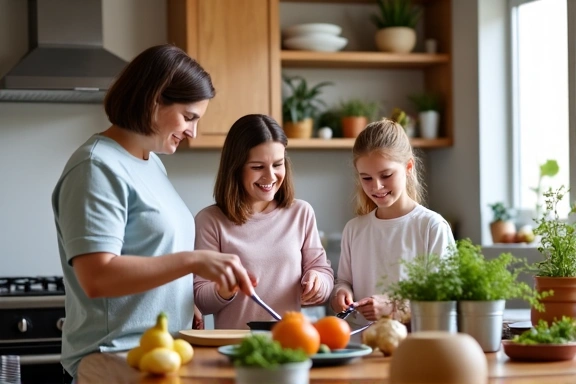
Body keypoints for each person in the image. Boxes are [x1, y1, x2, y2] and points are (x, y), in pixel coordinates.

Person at [51, 44, 253, 378]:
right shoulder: (96, 166)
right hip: (116, 358)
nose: (192, 132)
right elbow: (97, 277)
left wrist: (181, 302)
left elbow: (153, 252)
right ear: (153, 100)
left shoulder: (151, 164)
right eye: (188, 117)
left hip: (164, 353)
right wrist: (194, 262)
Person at [193, 114, 334, 329]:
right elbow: (200, 298)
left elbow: (322, 272)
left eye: (278, 165)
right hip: (234, 348)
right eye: (258, 167)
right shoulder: (210, 221)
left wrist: (317, 282)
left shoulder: (301, 213)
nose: (270, 177)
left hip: (290, 343)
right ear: (236, 168)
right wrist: (224, 289)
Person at [330, 118, 455, 328]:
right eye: (366, 178)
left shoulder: (431, 227)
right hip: (364, 349)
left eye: (386, 175)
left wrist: (393, 308)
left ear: (408, 167)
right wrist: (341, 292)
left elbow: (444, 302)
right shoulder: (355, 229)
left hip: (416, 349)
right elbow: (344, 281)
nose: (377, 186)